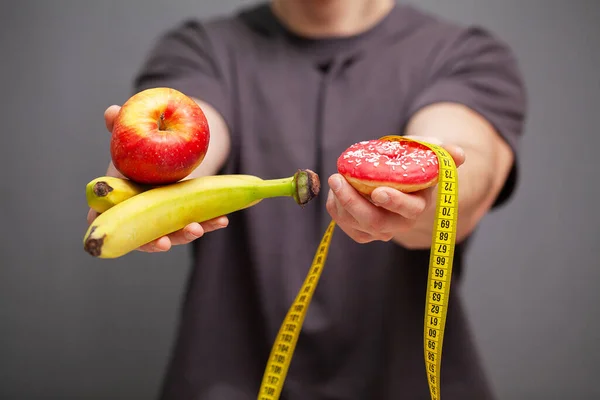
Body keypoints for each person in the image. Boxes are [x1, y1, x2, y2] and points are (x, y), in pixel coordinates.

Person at [88, 0, 527, 398]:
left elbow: (470, 167)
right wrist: (150, 177)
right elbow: (198, 130)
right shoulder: (199, 49)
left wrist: (425, 198)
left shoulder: (466, 54)